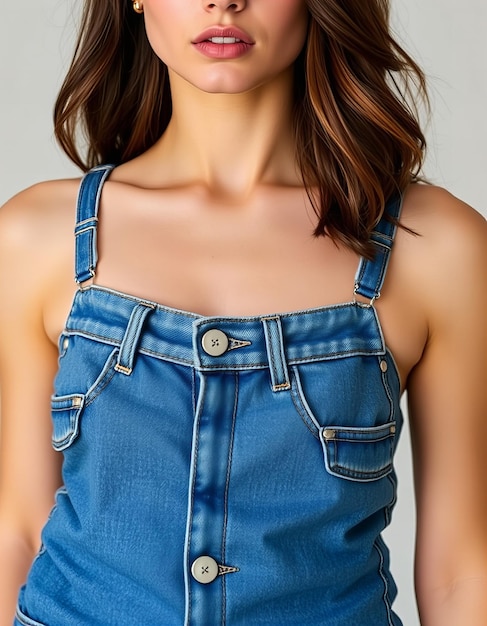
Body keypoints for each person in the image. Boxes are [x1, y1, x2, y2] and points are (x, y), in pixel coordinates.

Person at [0, 0, 486, 624]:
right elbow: (16, 529)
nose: (223, 2)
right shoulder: (36, 239)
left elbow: (461, 571)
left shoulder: (436, 248)